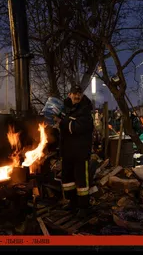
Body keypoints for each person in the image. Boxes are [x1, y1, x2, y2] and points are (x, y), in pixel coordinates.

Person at [54, 84, 94, 218]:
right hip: (67, 151)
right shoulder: (64, 108)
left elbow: (76, 127)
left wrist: (62, 122)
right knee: (67, 180)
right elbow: (59, 124)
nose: (77, 96)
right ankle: (72, 203)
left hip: (80, 152)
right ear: (69, 94)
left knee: (81, 181)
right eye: (74, 93)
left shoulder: (86, 110)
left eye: (79, 94)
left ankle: (83, 207)